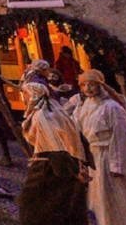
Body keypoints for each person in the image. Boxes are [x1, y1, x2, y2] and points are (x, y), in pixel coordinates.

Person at [73, 69, 126, 225]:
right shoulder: (82, 107)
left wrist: (118, 165)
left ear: (100, 85)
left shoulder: (112, 108)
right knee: (98, 202)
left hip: (108, 158)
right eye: (84, 85)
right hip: (93, 159)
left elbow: (123, 138)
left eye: (92, 84)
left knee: (116, 200)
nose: (88, 88)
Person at [17, 82, 89, 225]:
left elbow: (54, 145)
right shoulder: (53, 110)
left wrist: (69, 171)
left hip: (51, 167)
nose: (23, 97)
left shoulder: (42, 115)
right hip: (61, 162)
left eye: (25, 94)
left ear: (33, 95)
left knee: (36, 206)